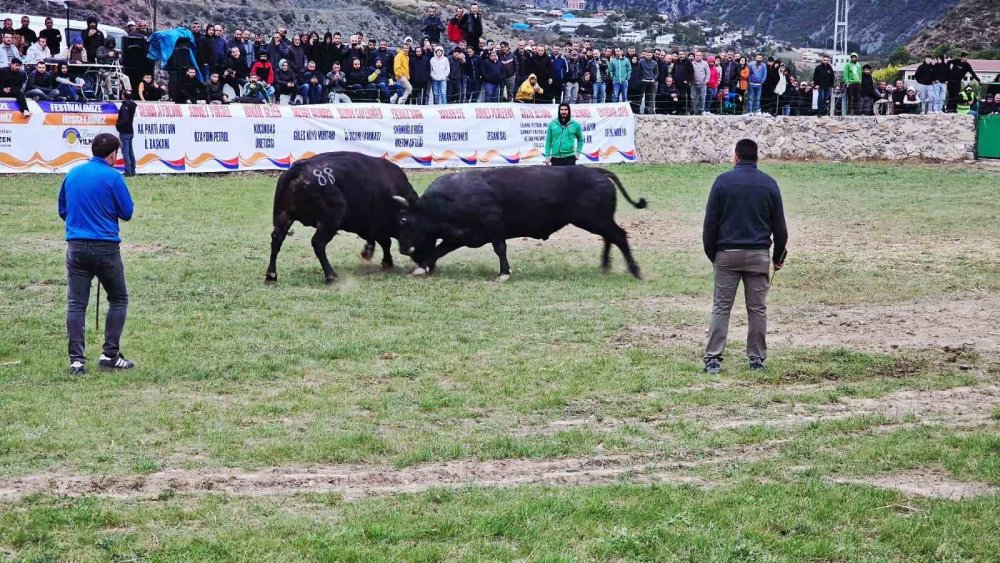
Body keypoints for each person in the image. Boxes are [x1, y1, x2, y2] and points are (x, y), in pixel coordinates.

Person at [702, 139, 787, 374]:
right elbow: (780, 228)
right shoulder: (769, 184)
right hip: (759, 255)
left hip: (726, 254)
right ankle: (757, 359)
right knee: (757, 309)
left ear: (735, 156)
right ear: (756, 157)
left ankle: (713, 359)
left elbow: (710, 224)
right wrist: (778, 256)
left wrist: (713, 254)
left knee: (721, 307)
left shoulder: (722, 182)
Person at [58, 133, 136, 375]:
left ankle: (77, 360)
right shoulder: (113, 177)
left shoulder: (72, 174)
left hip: (76, 246)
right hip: (105, 248)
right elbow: (127, 211)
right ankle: (110, 354)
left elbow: (63, 210)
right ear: (113, 154)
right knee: (119, 298)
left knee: (76, 303)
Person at [116, 94, 137, 177]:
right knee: (130, 152)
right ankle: (133, 170)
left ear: (123, 96)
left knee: (125, 152)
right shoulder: (132, 105)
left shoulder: (124, 107)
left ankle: (128, 171)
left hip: (124, 132)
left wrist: (118, 126)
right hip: (130, 131)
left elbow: (124, 120)